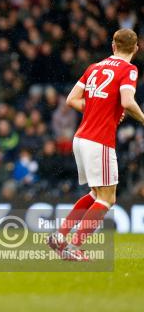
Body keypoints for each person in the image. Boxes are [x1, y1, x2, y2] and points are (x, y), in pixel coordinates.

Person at [47, 29, 144, 261]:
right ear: (136, 48)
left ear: (113, 45)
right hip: (99, 140)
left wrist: (98, 110)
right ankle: (74, 246)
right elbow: (128, 101)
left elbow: (71, 100)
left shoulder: (94, 67)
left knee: (95, 193)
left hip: (80, 138)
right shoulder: (129, 69)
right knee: (107, 198)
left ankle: (60, 237)